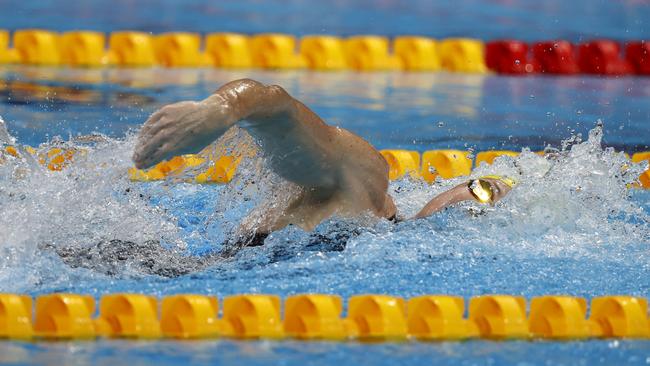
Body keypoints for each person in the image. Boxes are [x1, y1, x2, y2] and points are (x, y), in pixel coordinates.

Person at [133, 79, 514, 246]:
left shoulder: (384, 226)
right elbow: (276, 103)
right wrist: (222, 110)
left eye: (486, 192)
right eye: (483, 187)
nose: (483, 194)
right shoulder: (363, 177)